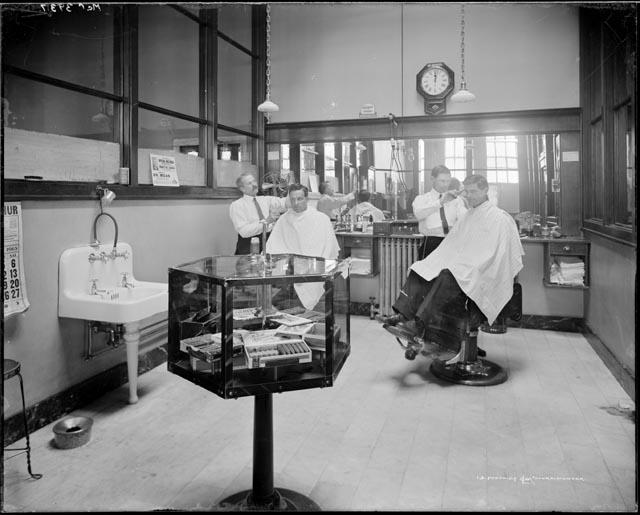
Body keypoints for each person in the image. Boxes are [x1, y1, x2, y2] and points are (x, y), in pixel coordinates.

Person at [383, 174, 524, 348]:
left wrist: (469, 265)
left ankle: (420, 325)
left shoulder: (499, 217)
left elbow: (496, 254)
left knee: (447, 276)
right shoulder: (470, 215)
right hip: (462, 263)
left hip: (481, 271)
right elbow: (457, 243)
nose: (469, 195)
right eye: (467, 191)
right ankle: (404, 315)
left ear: (485, 190)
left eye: (473, 191)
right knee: (421, 268)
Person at [266, 183, 340, 310]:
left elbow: (329, 250)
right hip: (289, 273)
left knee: (301, 303)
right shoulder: (284, 219)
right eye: (292, 199)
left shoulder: (321, 219)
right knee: (275, 306)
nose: (295, 203)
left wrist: (312, 267)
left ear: (307, 199)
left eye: (299, 199)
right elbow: (273, 247)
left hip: (315, 271)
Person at [412, 164, 467, 260]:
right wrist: (441, 202)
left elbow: (465, 218)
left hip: (452, 242)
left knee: (449, 273)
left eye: (448, 181)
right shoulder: (422, 199)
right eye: (442, 181)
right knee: (427, 274)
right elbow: (419, 214)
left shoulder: (456, 200)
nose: (446, 184)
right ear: (432, 179)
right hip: (431, 243)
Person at [229, 172, 288, 255]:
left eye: (254, 181)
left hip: (269, 244)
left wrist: (293, 192)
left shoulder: (265, 200)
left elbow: (285, 203)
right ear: (242, 189)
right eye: (249, 183)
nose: (254, 185)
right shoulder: (237, 205)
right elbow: (244, 231)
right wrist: (266, 222)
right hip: (248, 247)